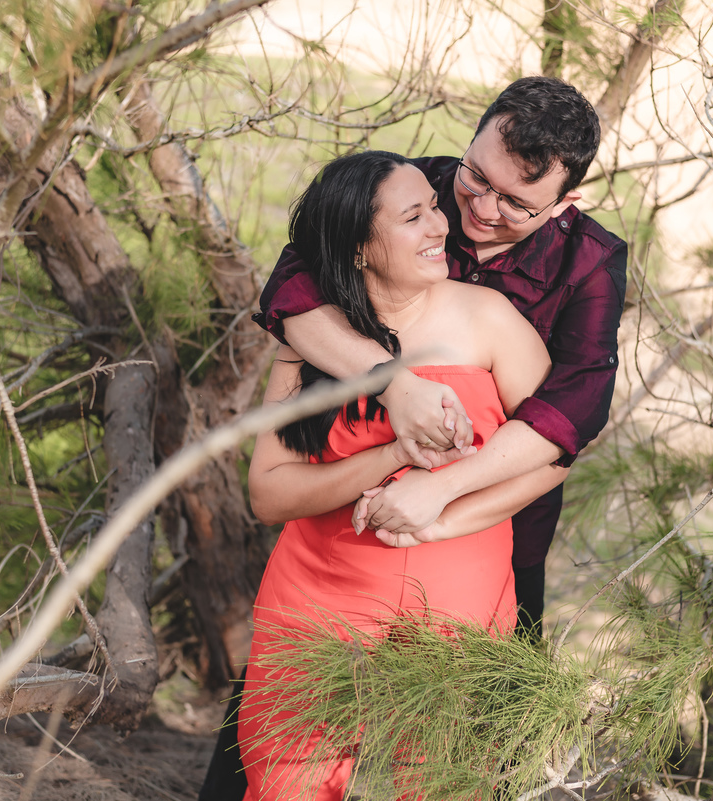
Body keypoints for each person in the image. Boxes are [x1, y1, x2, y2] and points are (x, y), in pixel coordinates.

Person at [197, 76, 626, 801]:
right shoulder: (413, 191)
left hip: (494, 523)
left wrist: (443, 496)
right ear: (470, 144)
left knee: (470, 750)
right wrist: (392, 382)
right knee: (273, 745)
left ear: (563, 205)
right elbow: (295, 290)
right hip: (337, 543)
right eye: (476, 179)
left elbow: (568, 419)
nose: (479, 213)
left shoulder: (589, 264)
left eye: (515, 204)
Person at [236, 149, 558, 801]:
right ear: (359, 247)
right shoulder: (314, 334)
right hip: (319, 598)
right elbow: (268, 491)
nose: (441, 227)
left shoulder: (489, 322)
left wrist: (444, 505)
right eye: (414, 216)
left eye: (434, 207)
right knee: (284, 784)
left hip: (457, 607)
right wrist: (391, 456)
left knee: (443, 784)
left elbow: (556, 451)